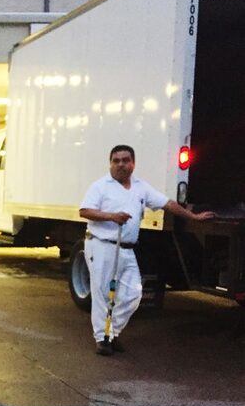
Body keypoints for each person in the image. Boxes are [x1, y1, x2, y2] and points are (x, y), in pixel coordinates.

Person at [79, 145, 215, 356]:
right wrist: (111, 216)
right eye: (116, 161)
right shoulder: (100, 186)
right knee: (102, 294)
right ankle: (102, 339)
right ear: (110, 163)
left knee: (134, 293)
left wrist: (193, 217)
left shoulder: (141, 187)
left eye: (126, 160)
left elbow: (167, 203)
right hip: (102, 245)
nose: (121, 164)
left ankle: (111, 331)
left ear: (133, 163)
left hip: (127, 248)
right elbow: (84, 211)